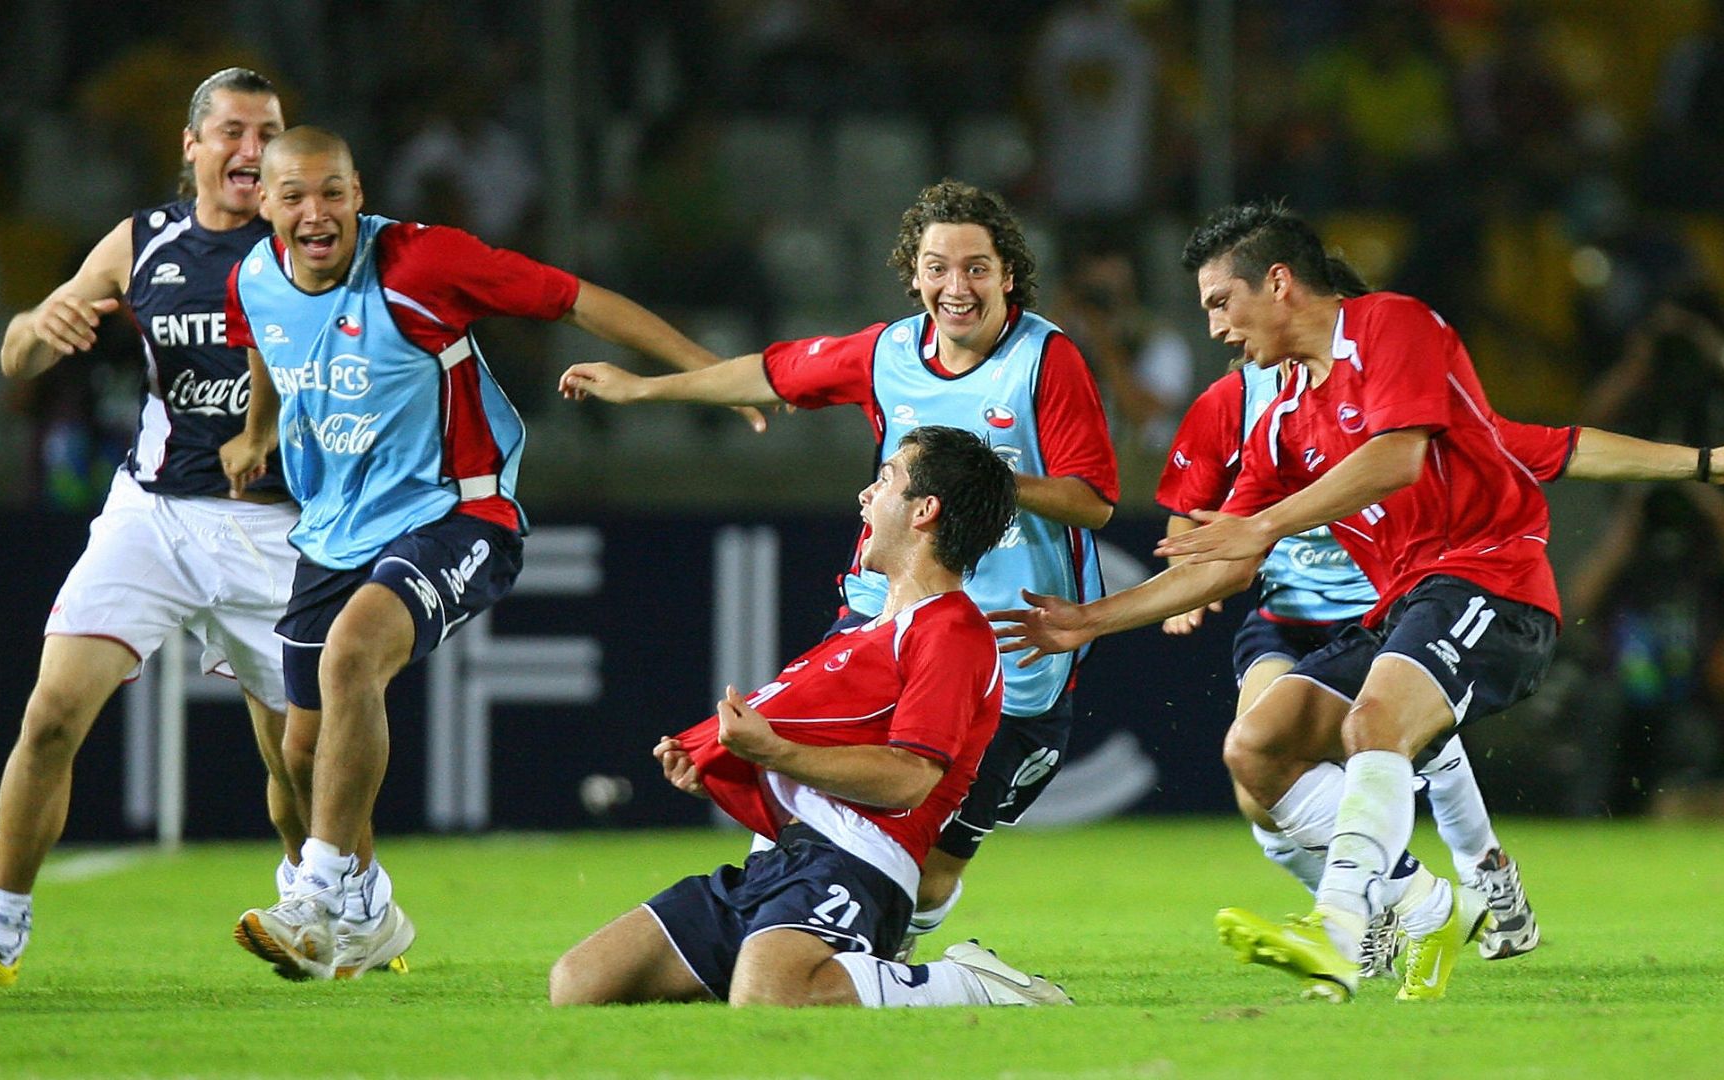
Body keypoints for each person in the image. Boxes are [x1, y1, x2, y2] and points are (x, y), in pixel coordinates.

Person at [995, 201, 1724, 1003]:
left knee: (1375, 722)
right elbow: (1223, 562)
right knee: (1256, 747)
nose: (1214, 328)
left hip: (1494, 582)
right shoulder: (1279, 426)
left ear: (1277, 283)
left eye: (1219, 302)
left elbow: (1400, 459)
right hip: (1401, 608)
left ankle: (1343, 930)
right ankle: (1430, 900)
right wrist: (1092, 620)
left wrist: (1698, 463)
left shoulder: (1391, 327)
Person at [217, 126, 744, 980]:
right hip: (334, 529)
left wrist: (707, 375)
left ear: (359, 192)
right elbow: (269, 346)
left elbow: (573, 297)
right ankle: (369, 908)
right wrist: (257, 431)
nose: (317, 212)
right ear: (265, 204)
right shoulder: (251, 279)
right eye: (294, 196)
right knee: (304, 753)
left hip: (459, 514)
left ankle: (312, 893)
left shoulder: (424, 265)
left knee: (354, 657)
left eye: (334, 192)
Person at [558, 179, 1119, 959]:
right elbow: (772, 373)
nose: (956, 287)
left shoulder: (1044, 361)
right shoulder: (887, 354)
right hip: (879, 618)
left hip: (1012, 646)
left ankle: (886, 958)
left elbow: (1092, 502)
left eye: (977, 268)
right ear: (914, 273)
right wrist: (648, 388)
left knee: (932, 872)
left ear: (1009, 274)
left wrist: (974, 481)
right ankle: (774, 936)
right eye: (937, 267)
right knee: (796, 785)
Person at [0, 68, 314, 989]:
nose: (252, 151)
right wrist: (40, 324)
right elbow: (18, 350)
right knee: (49, 718)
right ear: (192, 148)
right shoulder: (142, 241)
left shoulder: (312, 245)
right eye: (235, 133)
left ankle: (325, 899)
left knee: (299, 768)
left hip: (273, 529)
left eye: (269, 133)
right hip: (152, 514)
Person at [549, 425, 1070, 1008]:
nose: (864, 496)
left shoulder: (953, 632)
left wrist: (771, 751)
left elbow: (908, 779)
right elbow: (812, 752)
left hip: (862, 860)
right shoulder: (866, 635)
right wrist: (733, 768)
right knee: (580, 982)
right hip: (779, 858)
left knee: (770, 992)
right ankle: (816, 971)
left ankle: (968, 984)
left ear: (924, 510)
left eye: (885, 479)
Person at [1158, 341, 1538, 975]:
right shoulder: (1233, 402)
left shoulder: (1383, 392)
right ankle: (1377, 909)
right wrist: (1186, 578)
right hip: (1286, 620)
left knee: (1415, 745)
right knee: (1257, 782)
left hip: (1381, 611)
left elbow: (1498, 449)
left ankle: (1487, 879)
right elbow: (1184, 510)